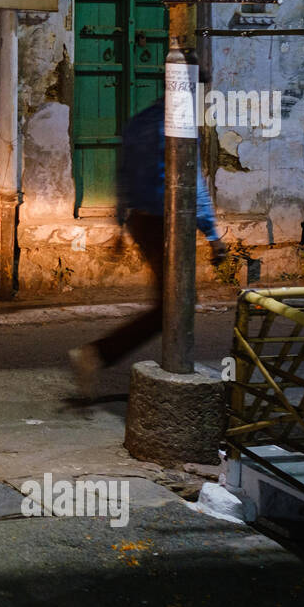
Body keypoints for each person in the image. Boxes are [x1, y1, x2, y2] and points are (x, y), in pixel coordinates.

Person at [68, 95, 228, 399]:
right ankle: (99, 354)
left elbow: (123, 175)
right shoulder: (178, 127)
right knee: (175, 303)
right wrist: (211, 233)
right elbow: (190, 180)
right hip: (166, 224)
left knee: (172, 302)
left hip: (140, 221)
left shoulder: (137, 122)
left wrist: (119, 224)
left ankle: (124, 358)